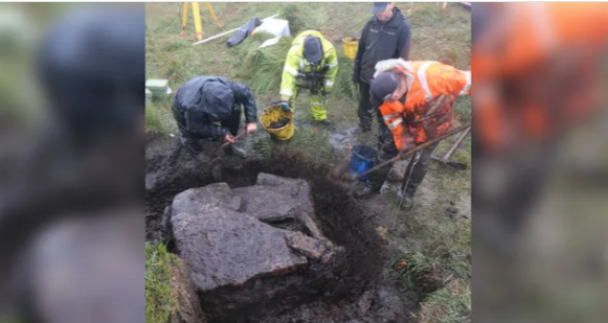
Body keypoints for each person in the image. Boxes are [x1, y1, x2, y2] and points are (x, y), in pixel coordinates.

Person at [354, 58, 471, 211]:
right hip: (407, 124)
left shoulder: (435, 76)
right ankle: (373, 186)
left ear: (396, 90)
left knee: (419, 162)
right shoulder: (384, 94)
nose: (387, 103)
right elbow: (393, 121)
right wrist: (405, 143)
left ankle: (406, 194)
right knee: (386, 154)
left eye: (389, 99)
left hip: (435, 126)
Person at [353, 2, 411, 132]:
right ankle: (365, 125)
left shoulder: (402, 27)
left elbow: (402, 59)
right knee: (364, 104)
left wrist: (399, 83)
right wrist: (356, 72)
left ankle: (383, 134)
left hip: (385, 81)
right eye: (376, 10)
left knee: (384, 110)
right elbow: (361, 49)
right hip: (366, 74)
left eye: (382, 10)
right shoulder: (371, 23)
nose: (378, 13)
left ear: (392, 4)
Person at [171, 76, 258, 158]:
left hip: (207, 97)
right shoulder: (192, 107)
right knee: (190, 132)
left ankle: (229, 139)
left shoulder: (230, 88)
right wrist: (221, 132)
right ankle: (191, 144)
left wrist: (251, 120)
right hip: (182, 104)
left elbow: (248, 95)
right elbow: (195, 126)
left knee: (235, 108)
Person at [279, 30, 338, 125]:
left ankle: (320, 117)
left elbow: (332, 71)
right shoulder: (294, 52)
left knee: (319, 95)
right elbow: (288, 75)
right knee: (290, 96)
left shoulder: (329, 50)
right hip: (300, 75)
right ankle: (287, 119)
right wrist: (284, 98)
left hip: (318, 75)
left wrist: (327, 88)